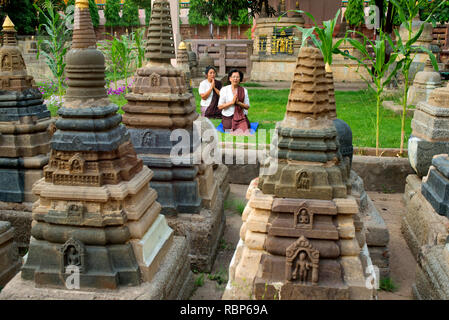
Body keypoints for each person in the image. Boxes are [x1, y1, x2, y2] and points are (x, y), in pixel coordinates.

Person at [217, 69, 251, 134]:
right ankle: (224, 121)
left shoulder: (244, 90)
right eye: (233, 77)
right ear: (230, 78)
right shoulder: (224, 90)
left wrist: (238, 103)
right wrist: (231, 103)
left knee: (247, 127)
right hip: (228, 115)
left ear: (240, 79)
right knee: (228, 128)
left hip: (240, 115)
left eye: (237, 77)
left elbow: (247, 106)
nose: (235, 79)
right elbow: (220, 107)